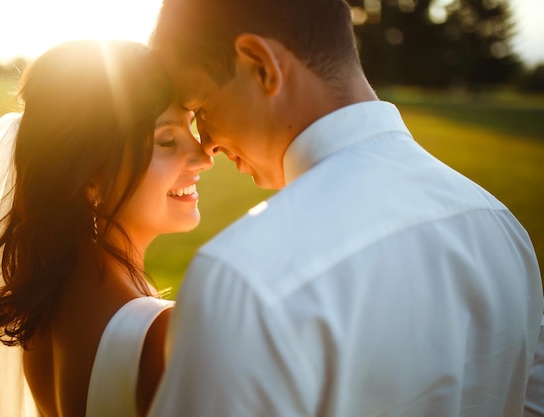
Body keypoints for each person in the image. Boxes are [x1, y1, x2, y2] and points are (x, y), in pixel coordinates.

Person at [147, 0, 544, 415]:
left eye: (203, 109)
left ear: (261, 65)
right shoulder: (501, 227)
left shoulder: (244, 278)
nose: (206, 144)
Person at [0, 40, 212, 417]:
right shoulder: (157, 336)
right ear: (89, 173)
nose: (204, 156)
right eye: (167, 140)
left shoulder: (51, 302)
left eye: (191, 128)